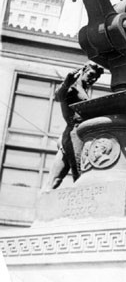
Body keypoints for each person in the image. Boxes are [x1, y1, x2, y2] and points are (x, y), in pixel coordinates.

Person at [42, 62, 104, 192]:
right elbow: (58, 96)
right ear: (83, 71)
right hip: (75, 135)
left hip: (70, 134)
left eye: (96, 78)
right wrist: (66, 82)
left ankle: (43, 201)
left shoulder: (82, 89)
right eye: (91, 75)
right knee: (80, 176)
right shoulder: (73, 87)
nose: (93, 79)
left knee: (54, 180)